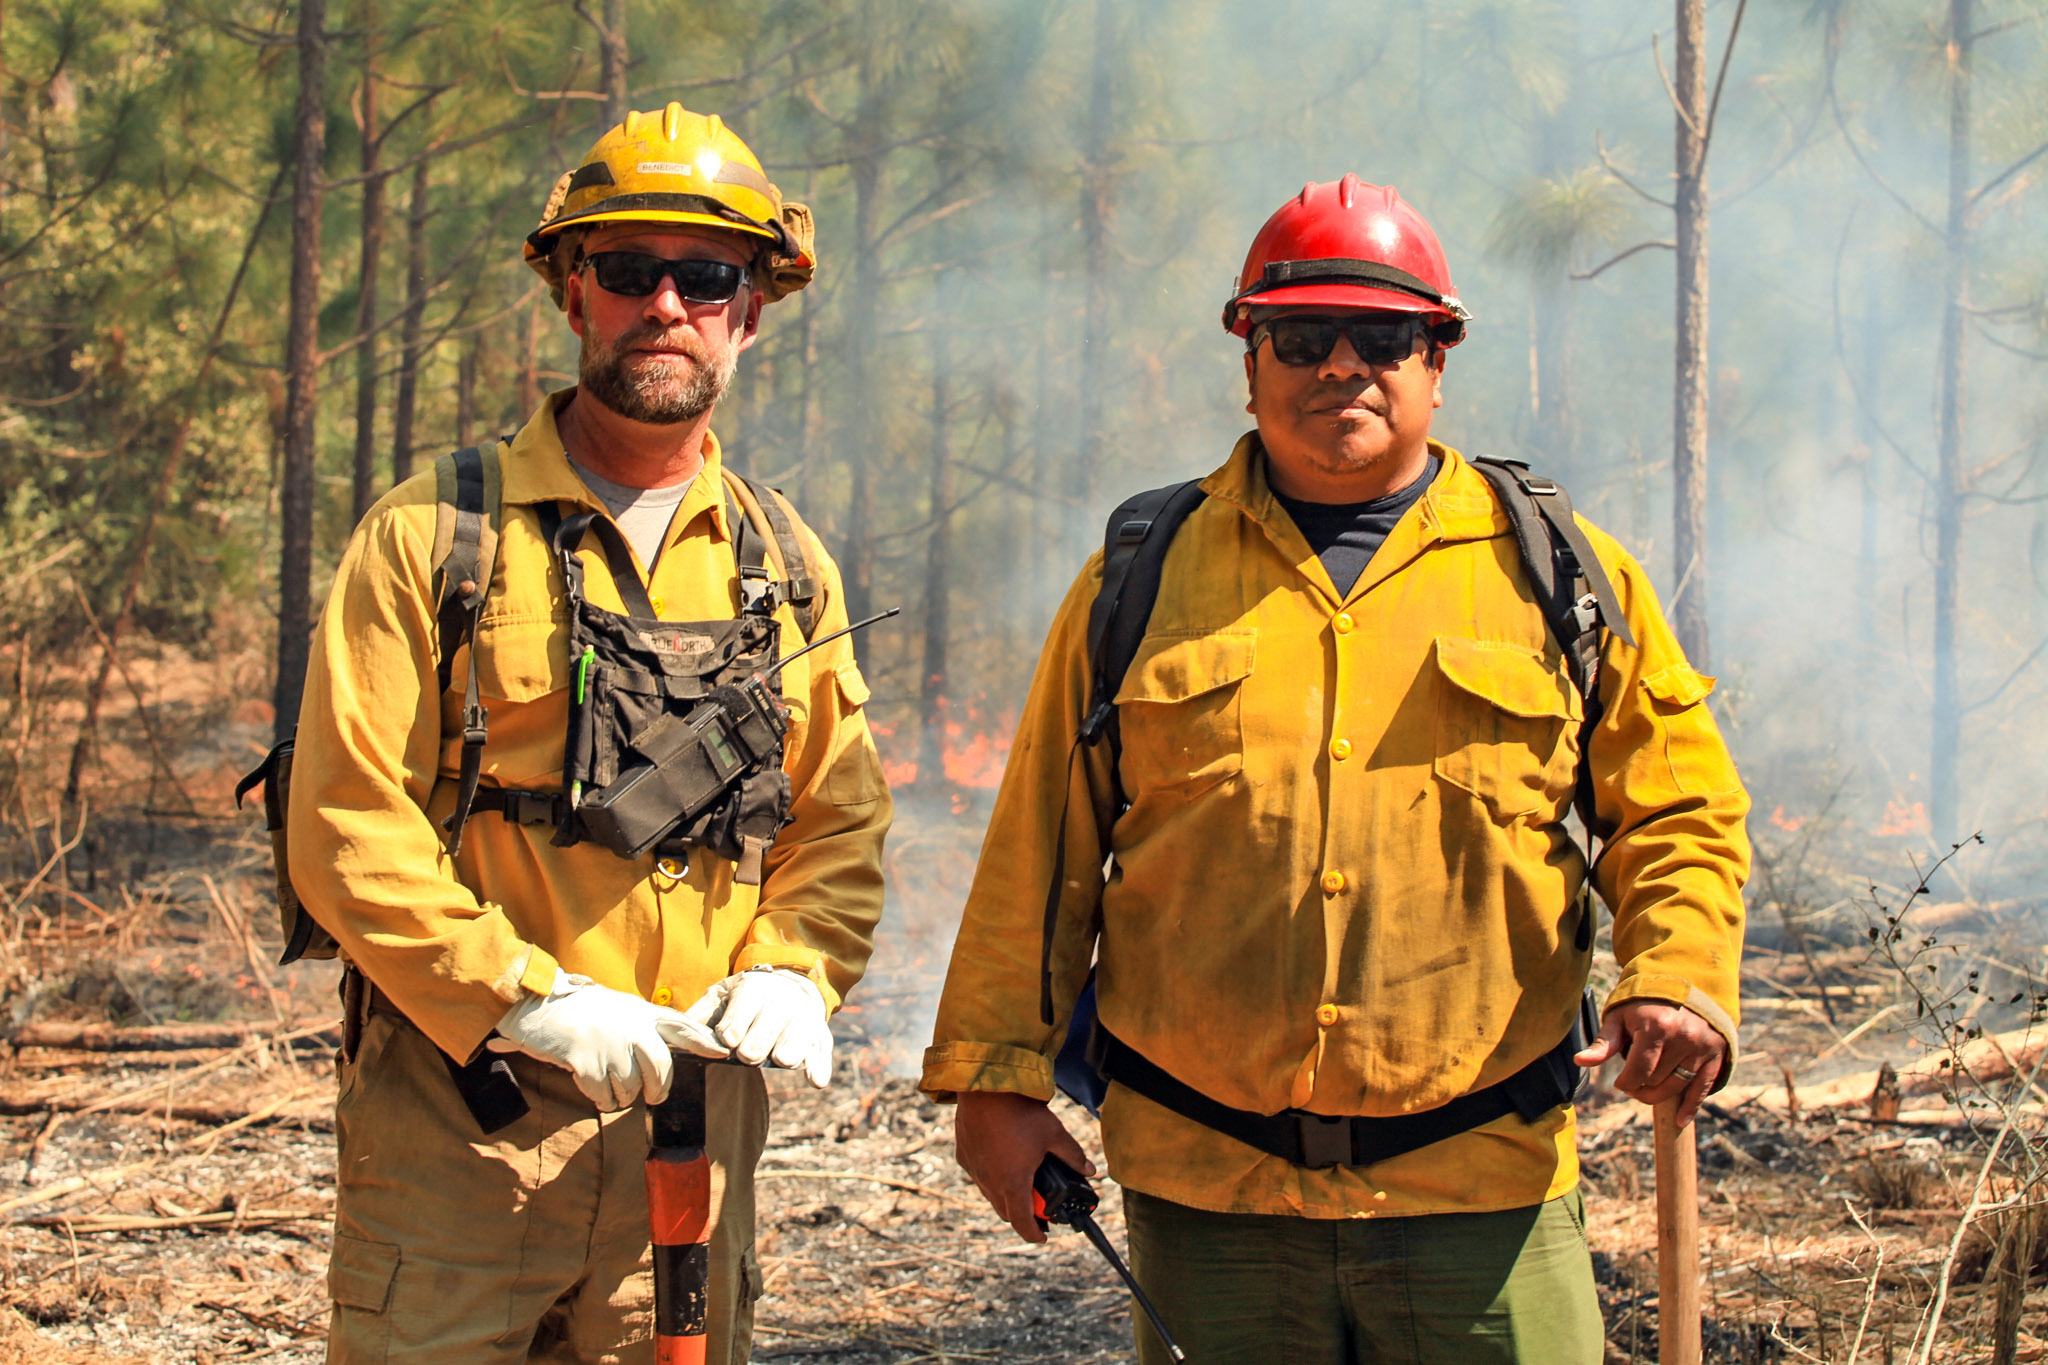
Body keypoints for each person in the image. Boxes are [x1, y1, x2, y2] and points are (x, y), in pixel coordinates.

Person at [921, 176, 1748, 1363]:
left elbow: (1674, 807)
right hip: (1212, 1200)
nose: (1342, 366)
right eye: (1301, 337)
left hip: (1482, 1193)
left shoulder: (1560, 573)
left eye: (1384, 337)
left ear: (1436, 359)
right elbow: (1037, 851)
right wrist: (994, 1085)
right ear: (1248, 359)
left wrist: (1672, 979)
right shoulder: (1138, 578)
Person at [289, 104, 891, 1364]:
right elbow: (346, 826)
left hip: (693, 1138)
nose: (665, 303)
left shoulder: (786, 566)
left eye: (706, 275)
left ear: (752, 306)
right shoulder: (431, 536)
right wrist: (523, 998)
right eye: (627, 271)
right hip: (465, 1128)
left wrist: (796, 964)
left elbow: (836, 815)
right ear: (573, 293)